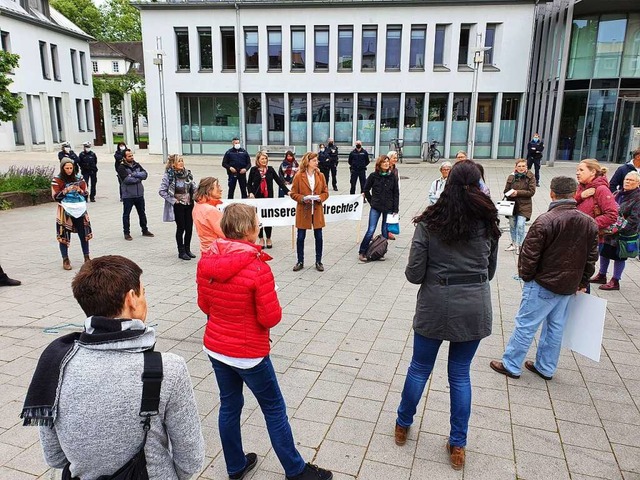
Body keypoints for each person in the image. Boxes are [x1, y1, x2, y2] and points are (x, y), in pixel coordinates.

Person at [25, 255, 205, 479]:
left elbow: (55, 458)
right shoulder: (169, 369)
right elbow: (191, 459)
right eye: (143, 292)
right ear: (131, 299)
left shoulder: (55, 363)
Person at [196, 204, 332, 480]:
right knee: (273, 407)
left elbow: (204, 305)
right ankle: (295, 470)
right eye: (256, 223)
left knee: (229, 405)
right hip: (248, 353)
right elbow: (270, 318)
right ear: (248, 231)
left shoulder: (206, 261)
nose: (259, 227)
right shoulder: (257, 267)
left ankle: (235, 465)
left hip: (217, 346)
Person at [395, 160, 500, 471]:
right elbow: (490, 271)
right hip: (473, 306)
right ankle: (458, 443)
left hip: (435, 303)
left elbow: (414, 275)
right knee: (460, 374)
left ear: (448, 182)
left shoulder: (430, 221)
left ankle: (403, 424)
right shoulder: (488, 220)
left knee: (419, 369)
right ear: (479, 184)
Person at [490, 176, 598, 382]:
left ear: (552, 193)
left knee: (526, 324)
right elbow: (591, 257)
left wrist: (528, 278)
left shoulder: (546, 220)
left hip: (544, 282)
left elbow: (529, 255)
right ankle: (546, 367)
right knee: (555, 326)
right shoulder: (588, 222)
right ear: (574, 194)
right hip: (568, 284)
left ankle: (512, 364)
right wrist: (582, 281)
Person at [590, 171, 640, 291]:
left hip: (624, 233)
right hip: (609, 231)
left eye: (631, 180)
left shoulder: (637, 198)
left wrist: (619, 229)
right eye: (626, 179)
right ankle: (601, 275)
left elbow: (635, 219)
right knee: (604, 252)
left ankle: (615, 280)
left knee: (620, 256)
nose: (627, 182)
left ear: (638, 183)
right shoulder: (618, 193)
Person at [290, 152, 329, 272]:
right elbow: (293, 193)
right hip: (304, 210)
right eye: (314, 160)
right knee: (301, 237)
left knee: (319, 236)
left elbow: (326, 192)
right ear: (308, 162)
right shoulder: (299, 176)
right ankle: (300, 261)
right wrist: (302, 198)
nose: (317, 162)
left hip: (316, 209)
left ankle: (318, 261)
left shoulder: (320, 175)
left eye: (317, 160)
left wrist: (320, 197)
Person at [51, 159, 93, 271]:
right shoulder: (57, 180)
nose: (69, 171)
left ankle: (86, 257)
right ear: (62, 168)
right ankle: (65, 259)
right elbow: (55, 197)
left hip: (80, 209)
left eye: (71, 168)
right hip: (65, 210)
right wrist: (65, 190)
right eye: (67, 168)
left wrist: (80, 190)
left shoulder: (80, 178)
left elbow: (85, 194)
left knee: (83, 233)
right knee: (63, 234)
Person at [358, 155, 399, 262]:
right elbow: (366, 190)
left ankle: (380, 252)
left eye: (387, 162)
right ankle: (362, 251)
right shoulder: (373, 176)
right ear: (379, 164)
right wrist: (372, 202)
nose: (386, 163)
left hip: (388, 207)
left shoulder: (392, 176)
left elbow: (396, 193)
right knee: (371, 230)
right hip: (376, 207)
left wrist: (395, 209)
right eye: (384, 162)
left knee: (385, 231)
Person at [248, 151, 290, 248]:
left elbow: (279, 181)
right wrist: (250, 192)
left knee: (268, 219)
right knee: (258, 219)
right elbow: (249, 183)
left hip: (268, 198)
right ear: (258, 160)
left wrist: (287, 191)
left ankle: (268, 237)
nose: (264, 160)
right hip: (257, 198)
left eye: (266, 158)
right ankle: (261, 238)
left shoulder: (270, 170)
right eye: (262, 158)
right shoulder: (254, 170)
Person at [159, 154, 196, 260]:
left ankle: (188, 249)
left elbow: (194, 187)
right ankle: (181, 251)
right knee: (181, 228)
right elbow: (162, 191)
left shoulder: (188, 173)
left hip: (189, 204)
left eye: (182, 160)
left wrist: (198, 194)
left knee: (189, 228)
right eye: (179, 161)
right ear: (173, 164)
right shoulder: (169, 176)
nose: (181, 163)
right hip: (178, 206)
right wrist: (174, 201)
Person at [575, 159, 618, 239]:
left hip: (591, 238)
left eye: (581, 170)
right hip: (577, 235)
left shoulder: (601, 189)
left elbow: (612, 215)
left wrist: (587, 225)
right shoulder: (580, 187)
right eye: (577, 170)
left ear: (593, 172)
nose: (577, 173)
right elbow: (570, 203)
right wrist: (580, 196)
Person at [118, 149, 154, 241]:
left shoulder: (136, 165)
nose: (131, 157)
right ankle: (126, 233)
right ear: (124, 157)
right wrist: (139, 178)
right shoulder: (121, 167)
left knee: (142, 213)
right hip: (128, 195)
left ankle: (144, 230)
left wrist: (134, 174)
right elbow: (126, 180)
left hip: (139, 194)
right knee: (126, 214)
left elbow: (145, 174)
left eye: (132, 155)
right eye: (129, 156)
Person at [504, 159, 536, 254]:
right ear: (516, 167)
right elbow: (505, 190)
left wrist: (517, 193)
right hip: (512, 205)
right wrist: (509, 193)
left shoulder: (530, 177)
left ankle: (520, 245)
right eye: (519, 166)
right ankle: (514, 243)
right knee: (512, 224)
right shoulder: (511, 177)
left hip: (524, 205)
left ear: (526, 167)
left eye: (523, 166)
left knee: (520, 225)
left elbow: (531, 192)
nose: (521, 168)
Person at [192, 177, 225, 253]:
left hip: (206, 249)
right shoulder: (210, 210)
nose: (220, 189)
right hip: (216, 251)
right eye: (217, 186)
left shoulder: (198, 206)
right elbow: (225, 233)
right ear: (209, 190)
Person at [387, 150, 400, 240]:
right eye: (394, 158)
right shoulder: (385, 168)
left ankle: (389, 231)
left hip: (393, 195)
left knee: (391, 213)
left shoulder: (396, 170)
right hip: (384, 195)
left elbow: (398, 182)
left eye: (396, 158)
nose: (396, 159)